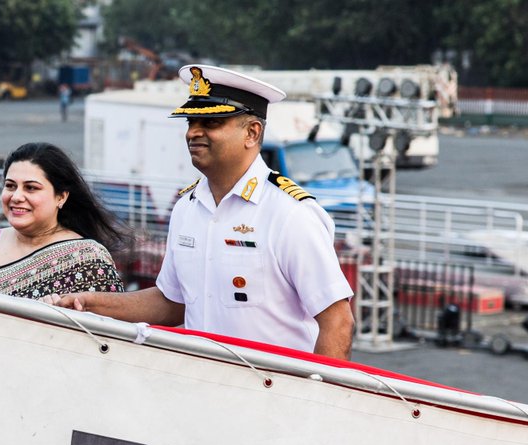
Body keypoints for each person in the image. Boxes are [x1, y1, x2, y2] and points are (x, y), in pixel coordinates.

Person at [45, 65, 355, 360]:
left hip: (272, 398)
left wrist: (315, 402)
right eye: (191, 122)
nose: (193, 133)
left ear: (252, 133)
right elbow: (171, 302)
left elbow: (337, 321)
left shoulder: (289, 213)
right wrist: (90, 303)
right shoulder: (187, 208)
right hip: (203, 392)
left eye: (211, 123)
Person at [0, 142, 127, 298]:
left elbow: (105, 328)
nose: (16, 196)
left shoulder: (88, 259)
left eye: (31, 188)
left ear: (61, 197)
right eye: (10, 186)